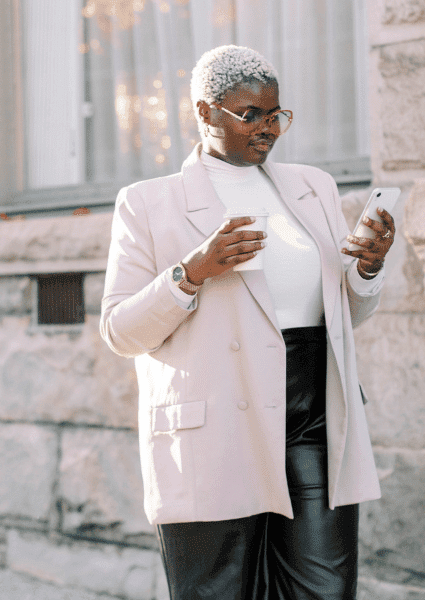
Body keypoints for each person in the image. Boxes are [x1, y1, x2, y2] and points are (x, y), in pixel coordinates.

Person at [100, 45, 395, 600]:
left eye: (276, 114)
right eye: (251, 115)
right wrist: (190, 273)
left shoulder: (314, 188)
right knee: (218, 590)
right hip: (215, 418)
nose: (269, 129)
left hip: (313, 413)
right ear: (206, 112)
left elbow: (340, 315)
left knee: (325, 588)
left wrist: (368, 269)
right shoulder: (146, 204)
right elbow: (120, 331)